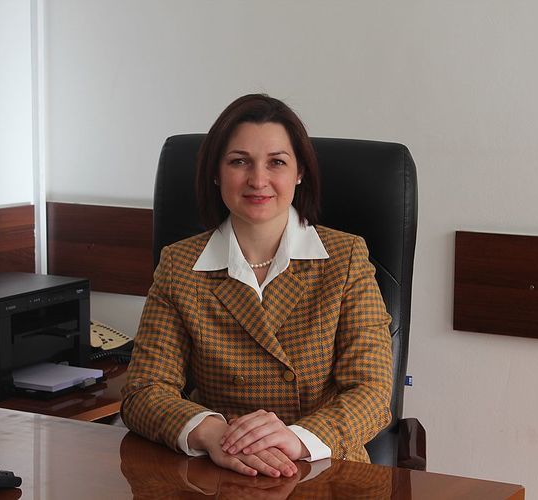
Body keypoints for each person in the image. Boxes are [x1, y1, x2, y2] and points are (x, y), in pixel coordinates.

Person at [120, 94, 393, 478]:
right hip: (219, 470)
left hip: (323, 468)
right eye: (239, 161)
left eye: (276, 162)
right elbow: (144, 390)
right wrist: (213, 434)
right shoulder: (180, 266)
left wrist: (296, 438)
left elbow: (372, 392)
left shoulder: (344, 259)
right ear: (216, 173)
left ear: (300, 172)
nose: (258, 180)